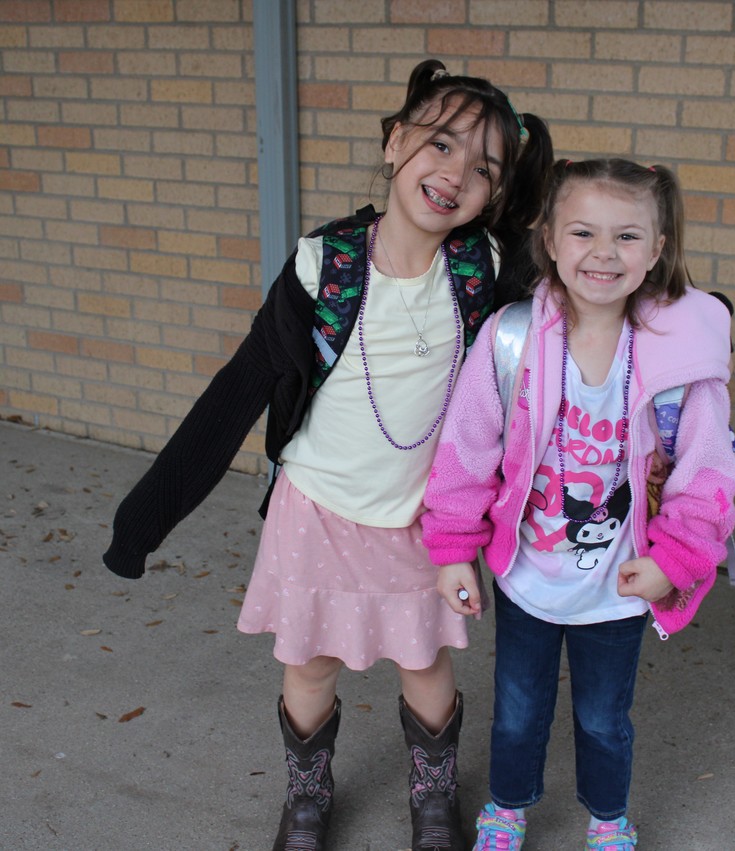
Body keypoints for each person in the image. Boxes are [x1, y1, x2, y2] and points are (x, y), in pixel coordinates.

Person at [102, 59, 552, 851]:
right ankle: (307, 797)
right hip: (316, 509)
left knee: (426, 666)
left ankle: (433, 796)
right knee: (309, 663)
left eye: (481, 168)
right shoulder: (327, 263)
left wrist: (684, 307)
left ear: (496, 195)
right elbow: (238, 391)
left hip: (426, 521)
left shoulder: (483, 267)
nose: (453, 174)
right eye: (440, 145)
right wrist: (145, 518)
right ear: (392, 144)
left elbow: (586, 279)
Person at [421, 159, 735, 850]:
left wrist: (676, 559)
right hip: (528, 576)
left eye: (627, 236)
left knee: (603, 717)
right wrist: (453, 549)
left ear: (657, 250)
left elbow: (709, 472)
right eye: (584, 232)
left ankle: (608, 817)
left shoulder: (682, 360)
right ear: (552, 242)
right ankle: (507, 808)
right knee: (517, 711)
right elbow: (468, 446)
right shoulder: (511, 339)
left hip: (619, 585)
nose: (603, 252)